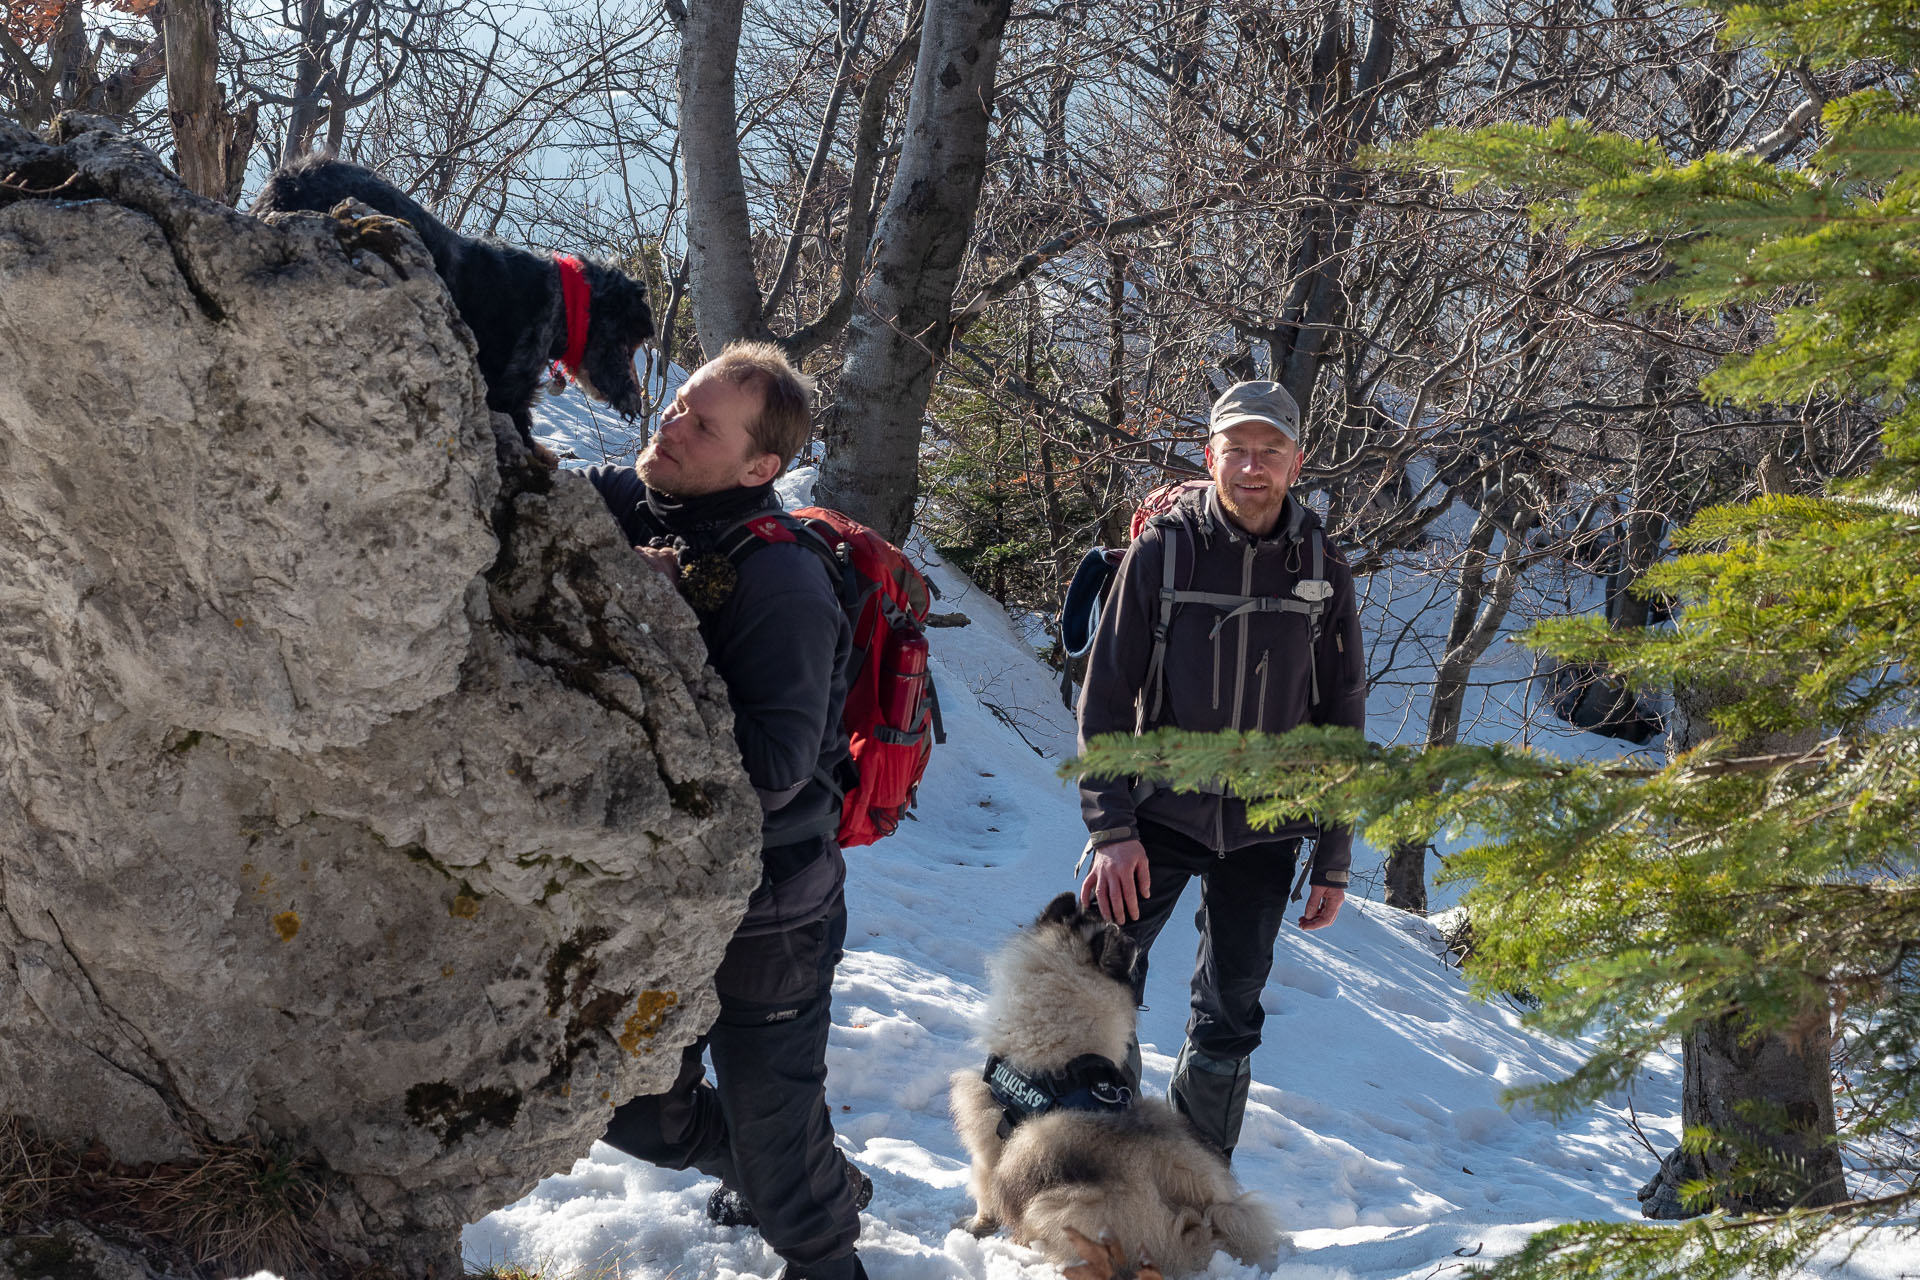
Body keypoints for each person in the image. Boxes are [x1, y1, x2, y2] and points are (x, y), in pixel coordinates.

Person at [587, 342, 870, 1280]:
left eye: (701, 425)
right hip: (668, 897)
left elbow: (779, 766)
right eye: (676, 405)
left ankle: (817, 1231)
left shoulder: (781, 578)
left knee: (782, 1162)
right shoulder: (643, 499)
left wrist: (665, 631)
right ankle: (792, 1172)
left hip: (772, 911)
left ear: (760, 468)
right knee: (630, 1110)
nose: (671, 425)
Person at [1075, 379, 1366, 1160]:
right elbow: (1104, 696)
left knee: (1230, 1014)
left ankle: (1192, 1186)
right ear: (1211, 457)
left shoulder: (1322, 566)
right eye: (1236, 449)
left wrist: (1333, 859)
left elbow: (1343, 715)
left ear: (1296, 462)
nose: (1251, 465)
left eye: (1270, 450)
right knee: (1098, 983)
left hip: (1267, 827)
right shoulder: (1164, 550)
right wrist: (1111, 831)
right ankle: (1105, 1164)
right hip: (1156, 811)